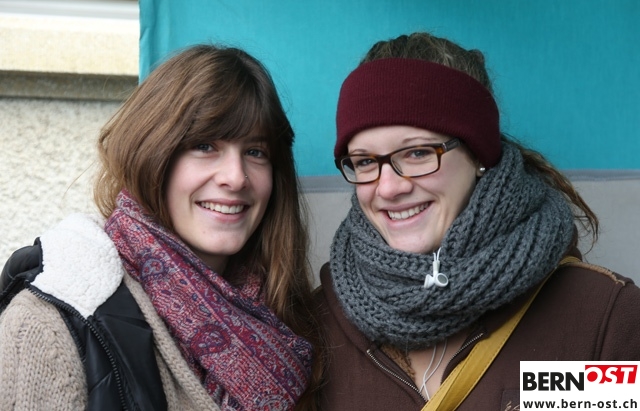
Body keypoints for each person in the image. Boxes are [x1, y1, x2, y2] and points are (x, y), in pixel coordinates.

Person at [316, 32, 640, 410]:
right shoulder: (318, 324)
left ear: (479, 156)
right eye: (365, 161)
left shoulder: (604, 318)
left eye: (418, 153)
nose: (388, 187)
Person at [0, 44, 322, 411]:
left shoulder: (291, 319)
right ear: (151, 154)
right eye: (205, 146)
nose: (236, 177)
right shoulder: (49, 327)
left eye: (256, 151)